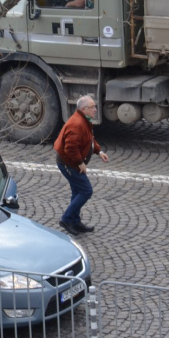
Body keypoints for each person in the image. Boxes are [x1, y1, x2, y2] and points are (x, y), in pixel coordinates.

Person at [53, 95, 109, 235]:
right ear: (84, 109)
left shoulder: (85, 120)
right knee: (86, 191)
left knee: (77, 192)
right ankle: (66, 219)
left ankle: (75, 222)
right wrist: (80, 163)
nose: (95, 109)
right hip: (68, 163)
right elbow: (70, 148)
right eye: (93, 107)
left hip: (72, 163)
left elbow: (89, 139)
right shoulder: (77, 124)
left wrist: (98, 151)